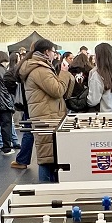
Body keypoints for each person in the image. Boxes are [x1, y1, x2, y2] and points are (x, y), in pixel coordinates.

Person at [19, 39, 73, 182]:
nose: (55, 55)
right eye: (53, 51)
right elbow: (57, 90)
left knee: (49, 156)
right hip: (47, 118)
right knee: (47, 159)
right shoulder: (40, 70)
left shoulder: (38, 67)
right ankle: (46, 192)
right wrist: (64, 73)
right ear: (46, 52)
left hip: (46, 115)